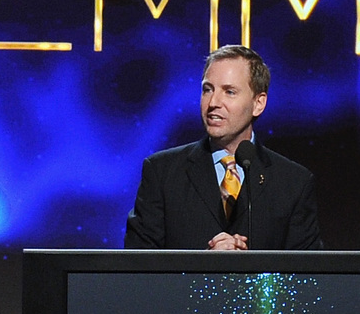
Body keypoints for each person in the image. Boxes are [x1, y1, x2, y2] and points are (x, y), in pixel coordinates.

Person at [124, 45, 323, 251]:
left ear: (258, 103)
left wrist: (251, 271)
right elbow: (137, 267)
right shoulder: (162, 172)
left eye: (229, 92)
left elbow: (306, 278)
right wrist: (204, 265)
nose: (213, 102)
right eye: (207, 89)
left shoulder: (293, 182)